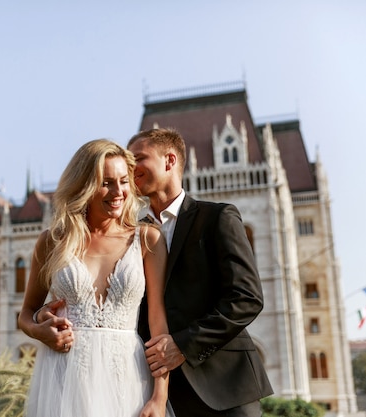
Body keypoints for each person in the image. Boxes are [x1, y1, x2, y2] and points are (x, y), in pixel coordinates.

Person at [18, 139, 175, 417]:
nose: (118, 192)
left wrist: (160, 397)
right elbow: (27, 312)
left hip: (127, 378)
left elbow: (158, 325)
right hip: (64, 379)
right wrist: (37, 331)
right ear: (84, 185)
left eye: (124, 181)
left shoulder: (147, 239)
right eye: (106, 183)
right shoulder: (52, 242)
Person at [127, 128, 273, 416]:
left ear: (169, 161)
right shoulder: (131, 235)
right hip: (157, 393)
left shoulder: (217, 217)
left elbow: (246, 298)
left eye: (138, 158)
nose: (130, 168)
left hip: (224, 389)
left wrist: (182, 345)